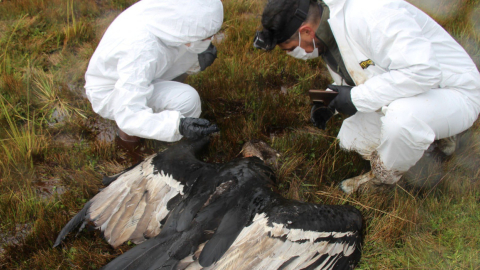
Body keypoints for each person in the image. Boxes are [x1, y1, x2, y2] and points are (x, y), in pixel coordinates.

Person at [254, 0, 480, 193]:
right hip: (412, 88)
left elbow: (424, 71)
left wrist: (354, 98)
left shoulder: (371, 15)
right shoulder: (328, 31)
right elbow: (360, 71)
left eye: (290, 48)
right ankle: (433, 133)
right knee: (350, 142)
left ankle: (382, 181)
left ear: (305, 31)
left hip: (452, 91)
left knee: (402, 122)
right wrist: (327, 99)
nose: (294, 54)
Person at [85, 0, 223, 144]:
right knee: (188, 101)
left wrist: (196, 57)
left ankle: (160, 109)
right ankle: (129, 144)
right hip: (112, 91)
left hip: (140, 71)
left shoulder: (169, 16)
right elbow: (128, 114)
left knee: (193, 56)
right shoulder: (140, 50)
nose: (209, 40)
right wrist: (177, 126)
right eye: (204, 37)